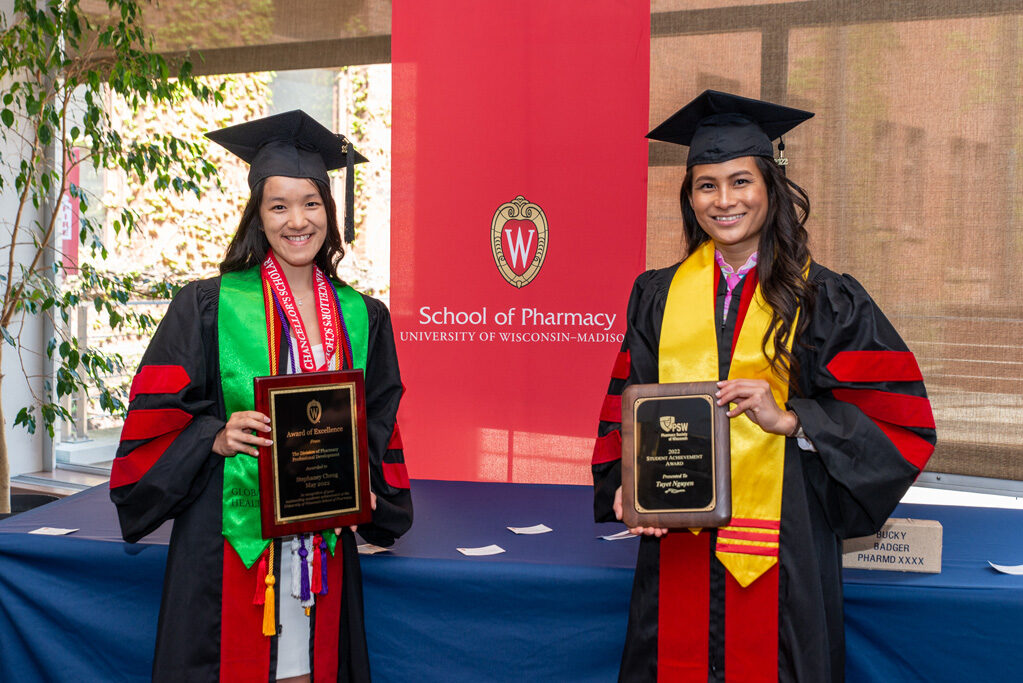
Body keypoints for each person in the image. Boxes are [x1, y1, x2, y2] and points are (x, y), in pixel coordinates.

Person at [591, 91, 936, 682]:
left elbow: (899, 419)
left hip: (786, 541)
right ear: (689, 196)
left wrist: (796, 420)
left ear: (771, 188)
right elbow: (630, 405)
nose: (724, 201)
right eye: (706, 185)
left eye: (740, 181)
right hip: (679, 538)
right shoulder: (657, 294)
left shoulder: (825, 297)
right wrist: (629, 483)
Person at [109, 110, 412, 682]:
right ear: (258, 216)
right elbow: (153, 423)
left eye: (312, 203)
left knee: (308, 666)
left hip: (321, 539)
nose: (298, 221)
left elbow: (378, 425)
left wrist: (363, 494)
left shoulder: (364, 316)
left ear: (330, 211)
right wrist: (215, 436)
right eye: (279, 206)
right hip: (228, 540)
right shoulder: (205, 305)